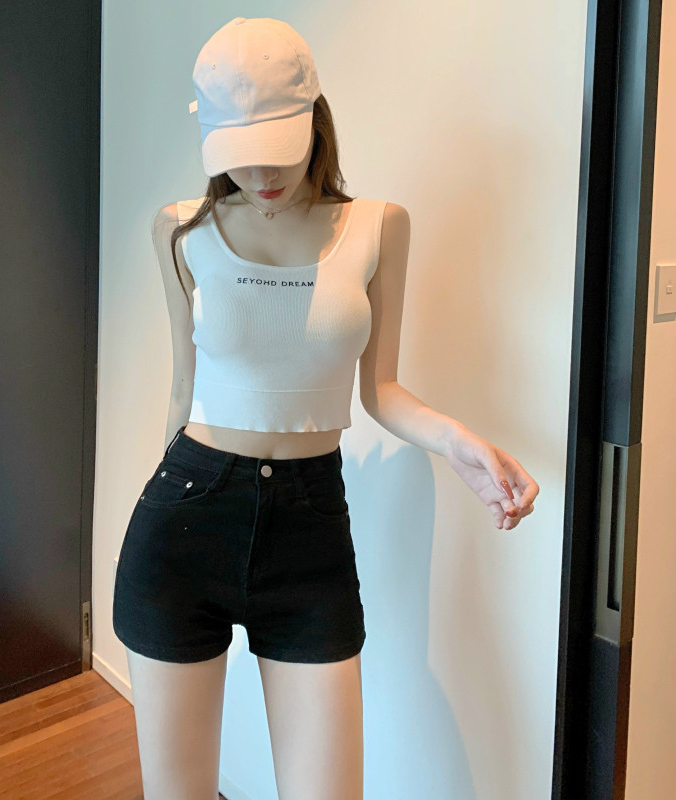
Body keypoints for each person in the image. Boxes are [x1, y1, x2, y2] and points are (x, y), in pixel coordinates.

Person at [112, 16, 539, 800]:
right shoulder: (179, 230)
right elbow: (182, 388)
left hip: (309, 531)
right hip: (186, 518)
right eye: (238, 154)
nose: (260, 173)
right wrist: (166, 497)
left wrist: (459, 443)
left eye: (277, 146)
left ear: (315, 117)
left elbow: (381, 391)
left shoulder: (379, 227)